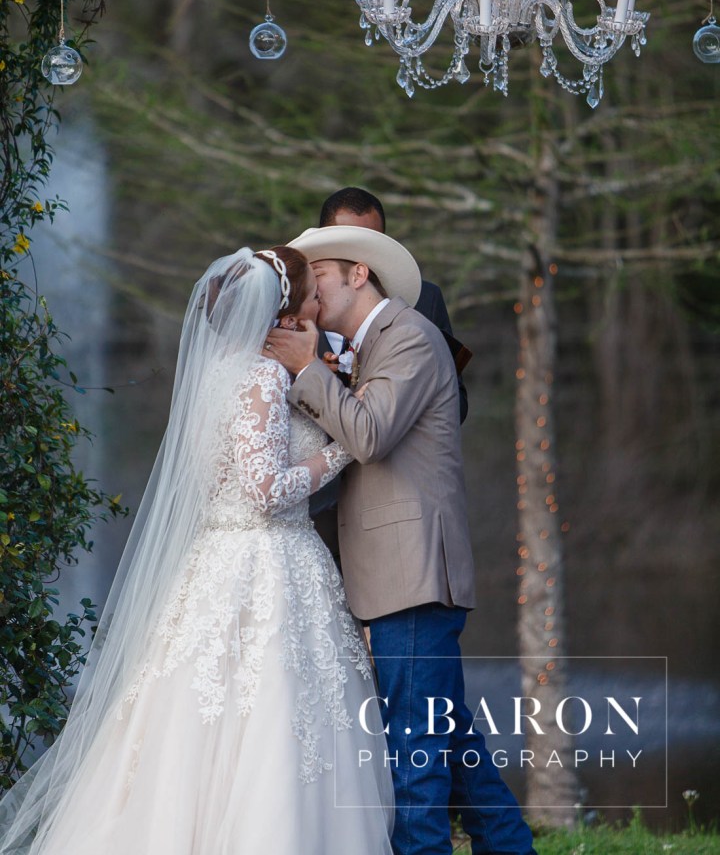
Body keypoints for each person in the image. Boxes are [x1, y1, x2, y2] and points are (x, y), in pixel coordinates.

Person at [0, 246, 393, 855]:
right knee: (273, 715)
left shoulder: (216, 376)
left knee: (198, 715)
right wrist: (339, 451)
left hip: (216, 561)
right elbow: (266, 492)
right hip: (268, 563)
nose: (320, 302)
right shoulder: (264, 378)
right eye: (311, 294)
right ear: (286, 309)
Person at [265, 227, 537, 855]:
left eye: (321, 277)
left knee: (415, 759)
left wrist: (307, 369)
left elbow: (368, 435)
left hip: (411, 575)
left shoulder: (409, 336)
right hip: (389, 575)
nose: (312, 292)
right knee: (453, 742)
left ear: (359, 274)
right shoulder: (363, 348)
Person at [318, 187, 468, 423]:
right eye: (347, 248)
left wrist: (400, 393)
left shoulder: (424, 300)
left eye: (372, 245)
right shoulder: (298, 308)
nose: (362, 261)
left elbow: (455, 402)